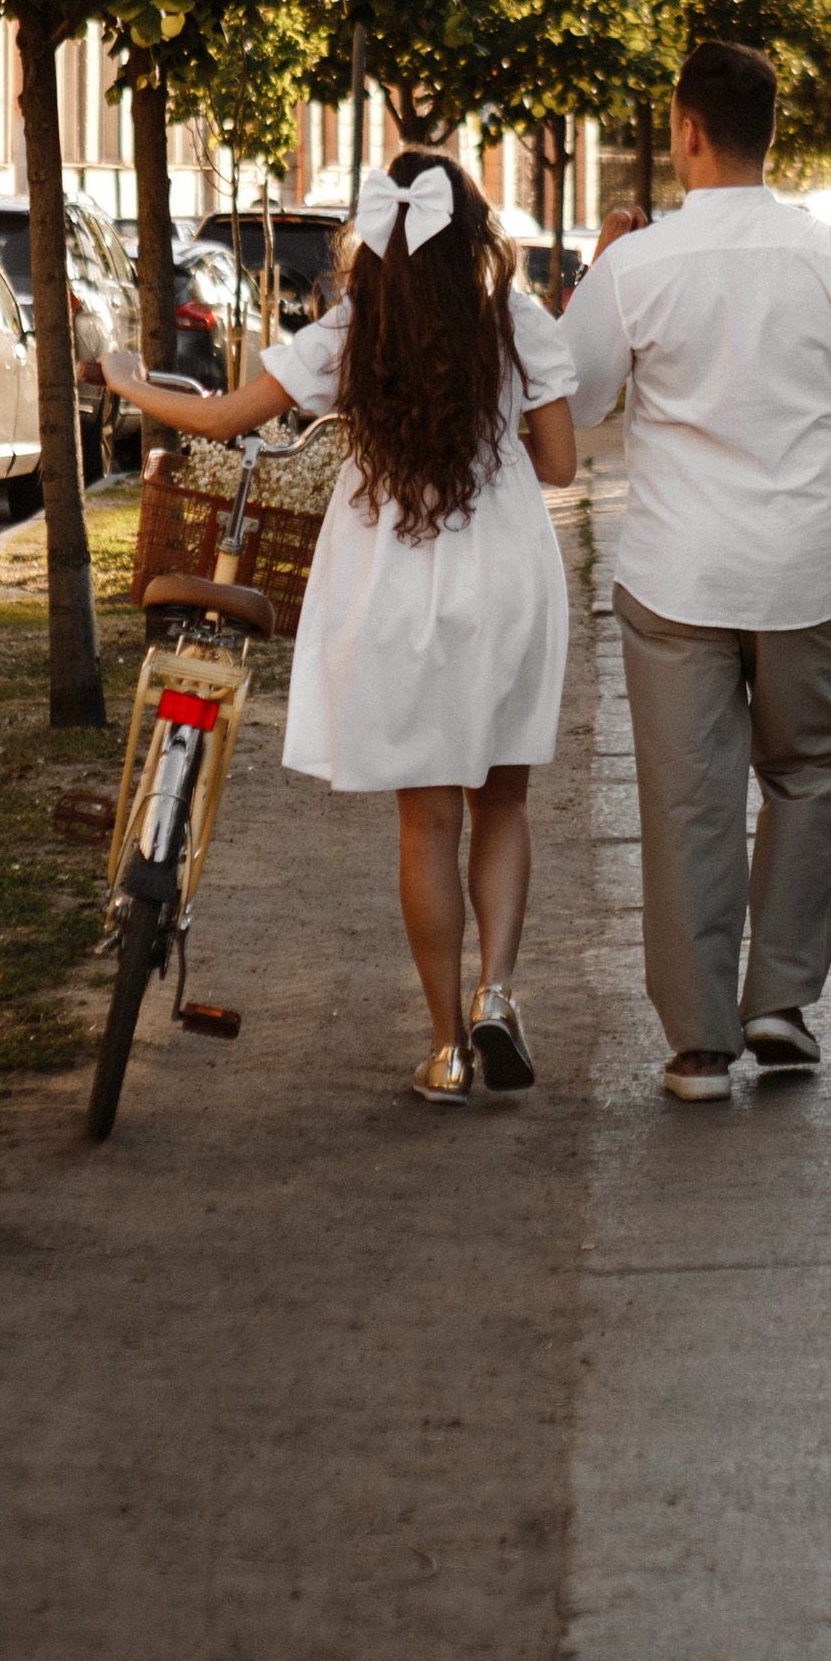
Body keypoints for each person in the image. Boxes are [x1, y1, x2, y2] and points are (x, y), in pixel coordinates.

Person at [97, 151, 578, 1107]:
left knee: (427, 822)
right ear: (473, 228)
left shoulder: (354, 329)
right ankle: (498, 992)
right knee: (504, 803)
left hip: (396, 583)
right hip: (505, 576)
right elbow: (560, 463)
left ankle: (445, 1049)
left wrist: (124, 381)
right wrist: (486, 420)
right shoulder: (514, 319)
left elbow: (229, 416)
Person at [566, 40, 831, 1103]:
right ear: (769, 136)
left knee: (687, 798)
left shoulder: (637, 263)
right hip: (802, 569)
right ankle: (780, 1004)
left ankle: (701, 1046)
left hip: (676, 577)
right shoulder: (830, 256)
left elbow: (567, 406)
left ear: (687, 131)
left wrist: (595, 268)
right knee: (806, 770)